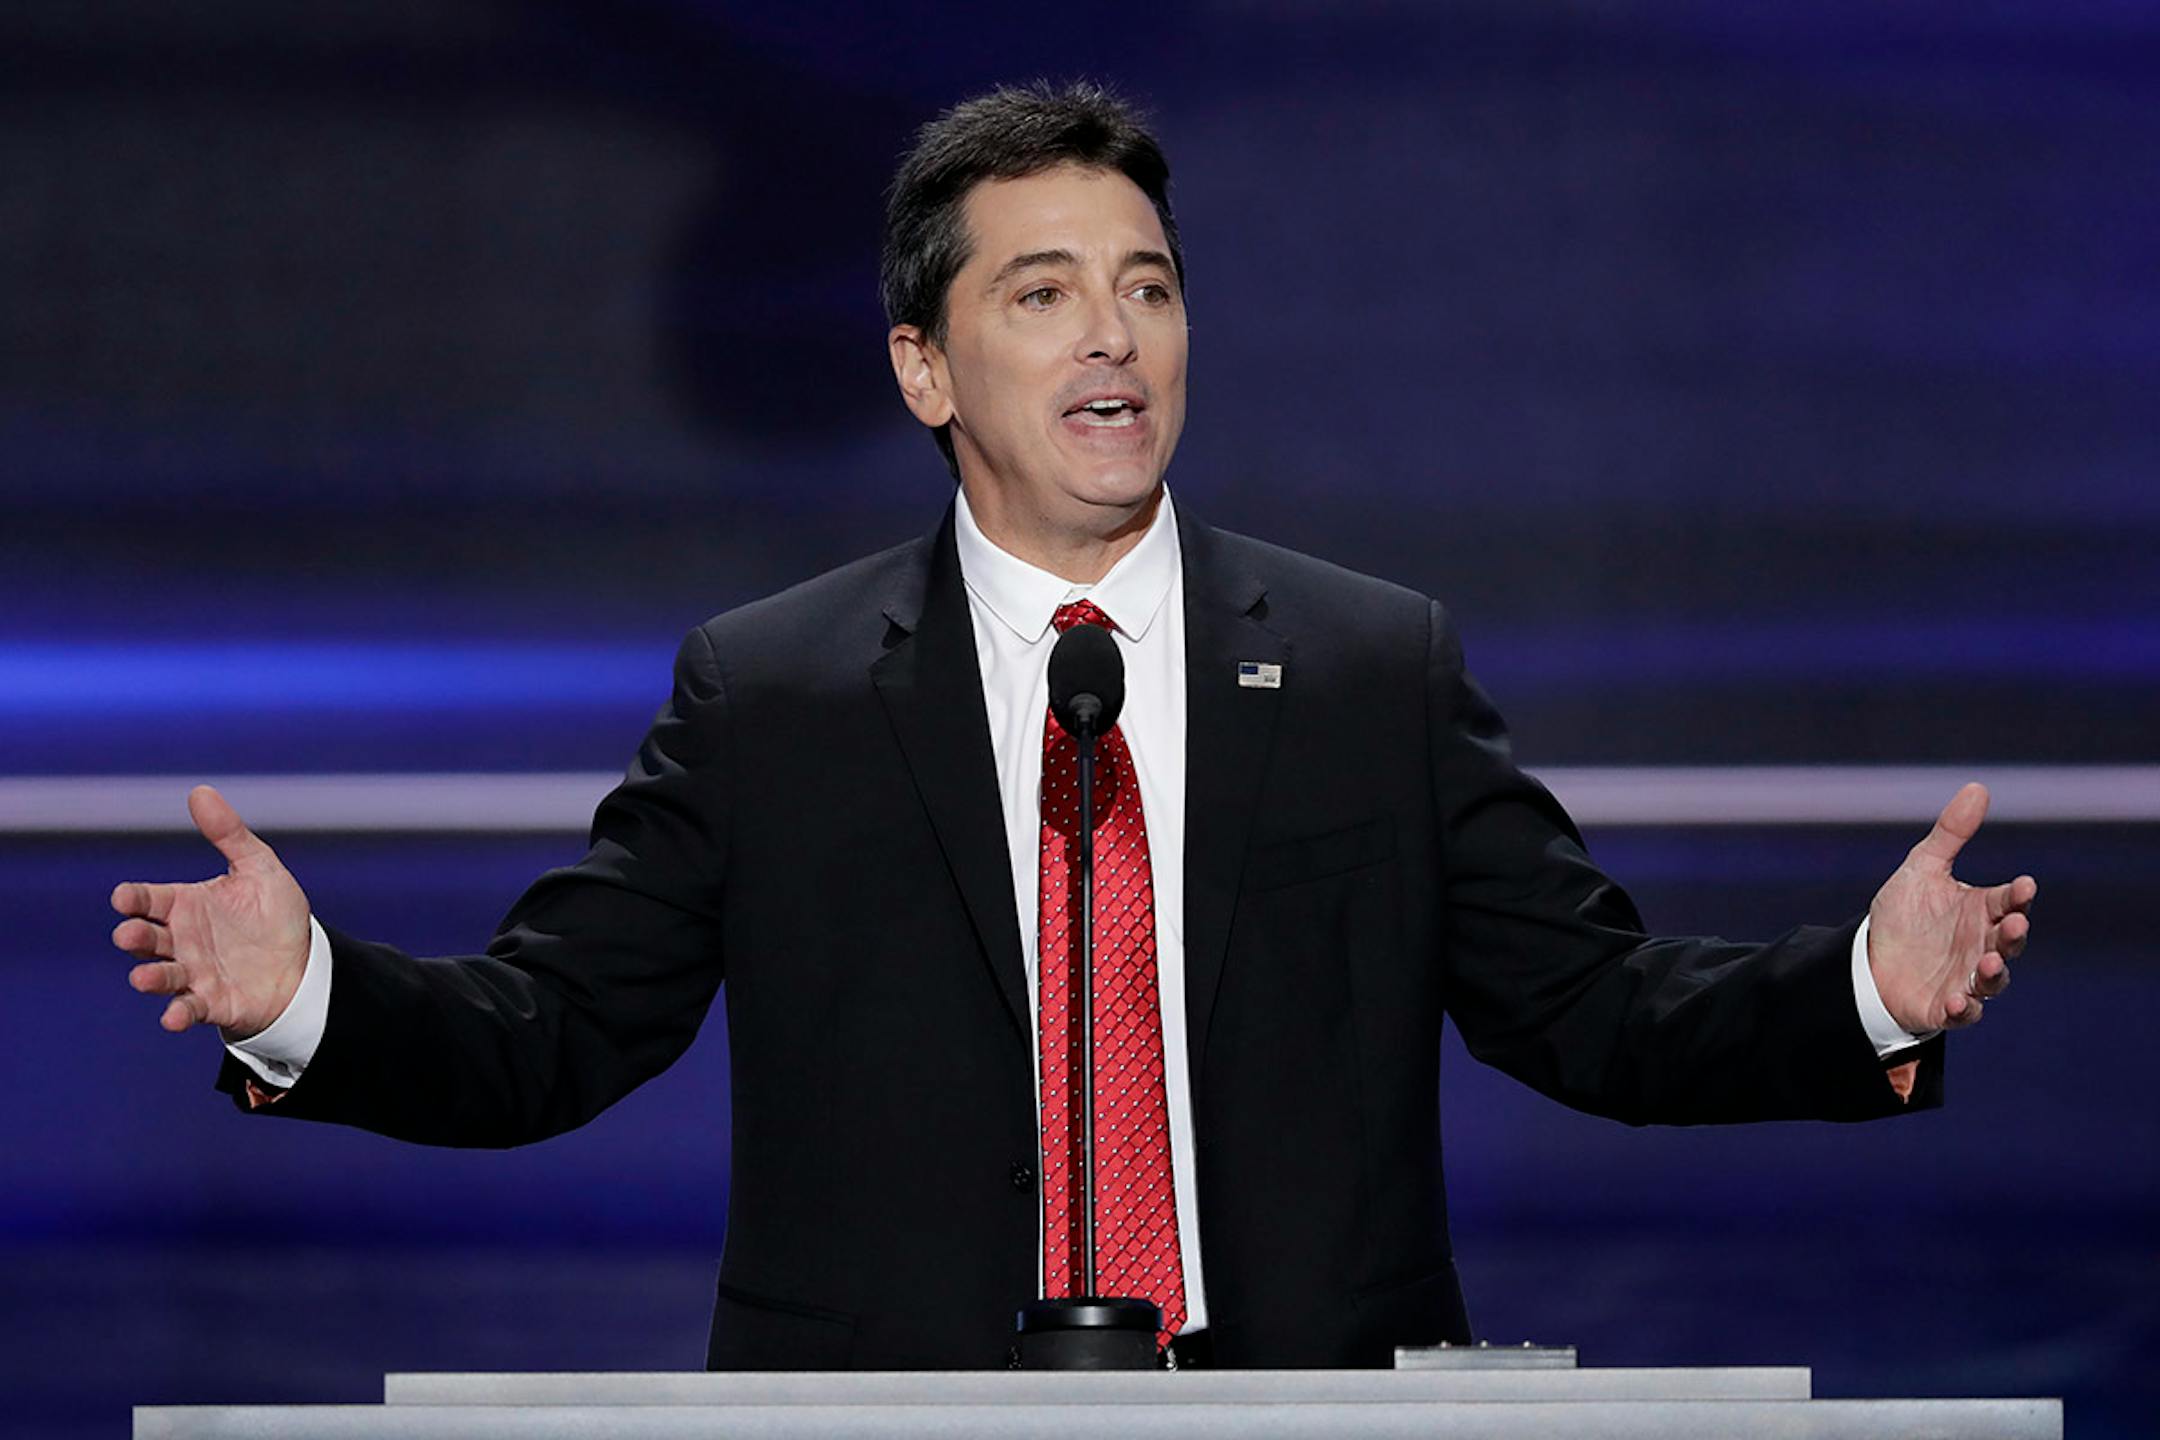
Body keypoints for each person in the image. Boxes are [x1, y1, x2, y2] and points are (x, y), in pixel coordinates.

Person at [109, 81, 2036, 1370]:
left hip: (1301, 1415)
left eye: (1149, 290)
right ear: (925, 367)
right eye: (1044, 294)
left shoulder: (1369, 667)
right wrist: (307, 996)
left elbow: (1598, 1011)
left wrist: (1865, 986)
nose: (1115, 336)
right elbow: (552, 1032)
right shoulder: (776, 695)